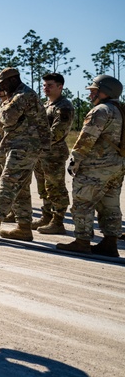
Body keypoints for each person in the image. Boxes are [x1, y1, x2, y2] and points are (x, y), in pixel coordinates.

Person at [0, 68, 50, 241]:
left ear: (13, 80)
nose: (2, 88)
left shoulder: (22, 96)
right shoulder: (19, 95)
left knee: (8, 183)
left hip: (24, 147)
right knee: (20, 189)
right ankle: (24, 228)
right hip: (22, 146)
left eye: (3, 84)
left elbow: (6, 118)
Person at [56, 75, 124, 256]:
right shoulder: (121, 111)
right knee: (110, 205)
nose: (90, 95)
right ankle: (110, 243)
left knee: (82, 203)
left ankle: (82, 241)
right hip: (117, 167)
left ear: (105, 92)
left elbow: (87, 138)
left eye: (93, 91)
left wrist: (75, 160)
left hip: (95, 166)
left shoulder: (101, 110)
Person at [31, 73, 75, 234]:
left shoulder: (64, 107)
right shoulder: (46, 105)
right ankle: (46, 216)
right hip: (40, 154)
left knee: (56, 188)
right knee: (43, 188)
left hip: (53, 154)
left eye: (50, 85)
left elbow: (57, 133)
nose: (46, 88)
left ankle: (58, 222)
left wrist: (33, 140)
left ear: (60, 86)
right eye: (44, 85)